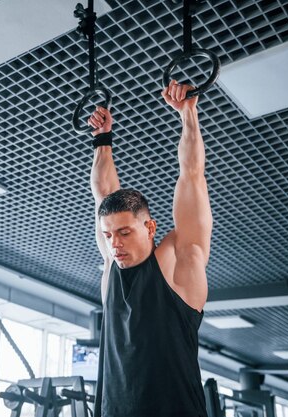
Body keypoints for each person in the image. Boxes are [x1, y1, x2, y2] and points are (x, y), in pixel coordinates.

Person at [89, 79, 212, 417]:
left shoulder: (180, 261)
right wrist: (102, 138)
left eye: (125, 232)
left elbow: (192, 176)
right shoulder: (112, 264)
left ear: (150, 227)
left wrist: (188, 114)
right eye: (109, 234)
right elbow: (102, 191)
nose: (114, 243)